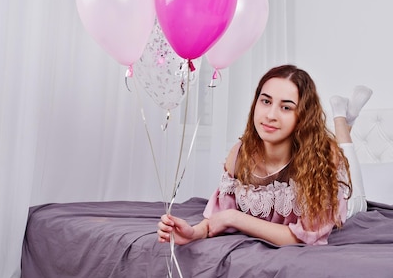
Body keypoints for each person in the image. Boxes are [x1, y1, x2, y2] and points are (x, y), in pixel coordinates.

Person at [157, 64, 372, 246]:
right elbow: (219, 216)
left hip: (344, 203)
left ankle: (343, 118)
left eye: (286, 107)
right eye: (266, 101)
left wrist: (235, 218)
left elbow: (303, 237)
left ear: (303, 116)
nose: (270, 115)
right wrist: (194, 233)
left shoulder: (323, 157)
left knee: (351, 181)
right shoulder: (239, 154)